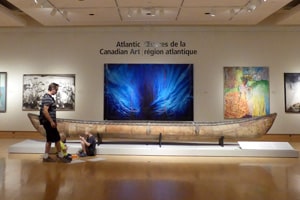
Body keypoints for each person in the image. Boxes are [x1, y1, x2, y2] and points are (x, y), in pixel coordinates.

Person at [39, 82, 70, 163]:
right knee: (57, 139)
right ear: (52, 89)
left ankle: (46, 157)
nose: (56, 91)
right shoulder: (47, 98)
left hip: (49, 122)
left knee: (50, 139)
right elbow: (45, 111)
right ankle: (61, 156)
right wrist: (51, 121)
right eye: (56, 90)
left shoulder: (48, 97)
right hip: (48, 122)